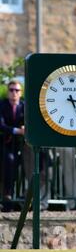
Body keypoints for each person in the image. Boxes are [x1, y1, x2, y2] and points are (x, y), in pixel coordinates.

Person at [0, 80, 25, 212]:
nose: (14, 93)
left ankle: (23, 199)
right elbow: (1, 124)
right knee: (9, 163)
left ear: (21, 93)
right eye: (11, 90)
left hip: (22, 145)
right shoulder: (2, 105)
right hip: (5, 143)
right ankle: (7, 199)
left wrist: (25, 128)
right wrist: (16, 130)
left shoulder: (24, 105)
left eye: (17, 90)